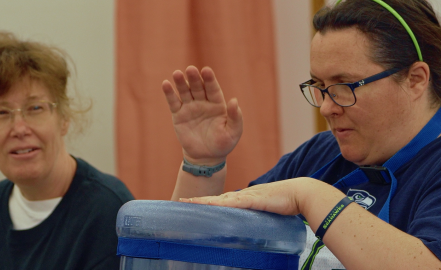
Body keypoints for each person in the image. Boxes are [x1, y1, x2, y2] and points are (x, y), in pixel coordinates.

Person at [161, 0, 441, 269]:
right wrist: (202, 164)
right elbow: (190, 253)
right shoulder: (321, 152)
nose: (326, 107)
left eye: (345, 85)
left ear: (415, 79)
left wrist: (311, 196)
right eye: (320, 85)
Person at [0, 31, 134, 269]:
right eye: (1, 112)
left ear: (63, 119)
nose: (19, 129)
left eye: (35, 108)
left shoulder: (109, 212)